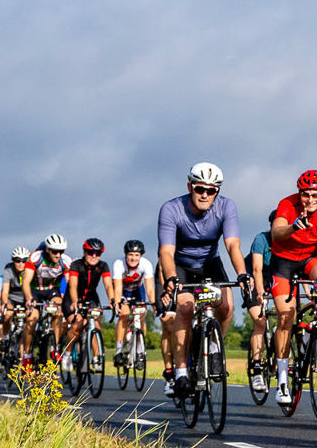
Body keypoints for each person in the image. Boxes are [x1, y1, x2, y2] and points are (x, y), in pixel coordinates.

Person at [156, 163, 251, 398]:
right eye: (200, 189)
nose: (205, 195)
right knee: (186, 308)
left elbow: (232, 245)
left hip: (210, 263)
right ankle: (180, 374)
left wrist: (242, 273)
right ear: (190, 187)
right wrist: (171, 278)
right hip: (182, 265)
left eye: (211, 190)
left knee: (226, 305)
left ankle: (214, 347)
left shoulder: (226, 207)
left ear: (217, 191)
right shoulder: (171, 209)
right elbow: (166, 252)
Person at [266, 169, 317, 405]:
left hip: (310, 258)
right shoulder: (287, 204)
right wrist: (294, 227)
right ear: (299, 193)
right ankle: (282, 380)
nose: (311, 200)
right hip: (283, 261)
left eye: (316, 195)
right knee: (286, 316)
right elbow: (276, 231)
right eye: (306, 195)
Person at [61, 238, 114, 369]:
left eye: (98, 253)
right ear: (85, 252)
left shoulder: (103, 266)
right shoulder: (76, 265)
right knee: (77, 324)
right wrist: (75, 301)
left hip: (91, 297)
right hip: (72, 297)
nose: (94, 256)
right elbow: (73, 285)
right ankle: (67, 354)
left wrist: (112, 300)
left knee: (96, 323)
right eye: (91, 252)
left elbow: (108, 285)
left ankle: (96, 358)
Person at [20, 236, 71, 364]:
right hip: (34, 289)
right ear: (47, 249)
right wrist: (29, 298)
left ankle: (55, 346)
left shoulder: (65, 261)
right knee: (32, 318)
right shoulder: (35, 257)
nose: (58, 255)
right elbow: (25, 281)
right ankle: (27, 355)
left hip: (51, 289)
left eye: (61, 251)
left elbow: (71, 283)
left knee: (58, 310)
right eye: (55, 251)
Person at [112, 240, 157, 369]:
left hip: (138, 290)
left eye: (137, 255)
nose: (133, 258)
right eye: (131, 254)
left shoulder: (146, 264)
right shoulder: (119, 264)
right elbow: (118, 288)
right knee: (124, 314)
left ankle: (140, 351)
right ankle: (119, 351)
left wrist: (153, 304)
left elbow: (149, 288)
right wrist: (117, 303)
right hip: (123, 291)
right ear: (126, 255)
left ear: (141, 256)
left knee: (142, 315)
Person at [245, 222, 274, 396]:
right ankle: (256, 369)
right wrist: (260, 291)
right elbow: (257, 269)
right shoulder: (261, 239)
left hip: (274, 278)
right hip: (254, 279)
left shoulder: (289, 239)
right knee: (260, 321)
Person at [0, 246, 30, 366]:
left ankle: (22, 356)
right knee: (8, 314)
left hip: (25, 298)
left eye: (24, 260)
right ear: (13, 261)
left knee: (28, 322)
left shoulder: (30, 270)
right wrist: (5, 304)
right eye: (17, 260)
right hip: (12, 298)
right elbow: (5, 291)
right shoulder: (8, 269)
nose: (21, 264)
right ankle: (5, 337)